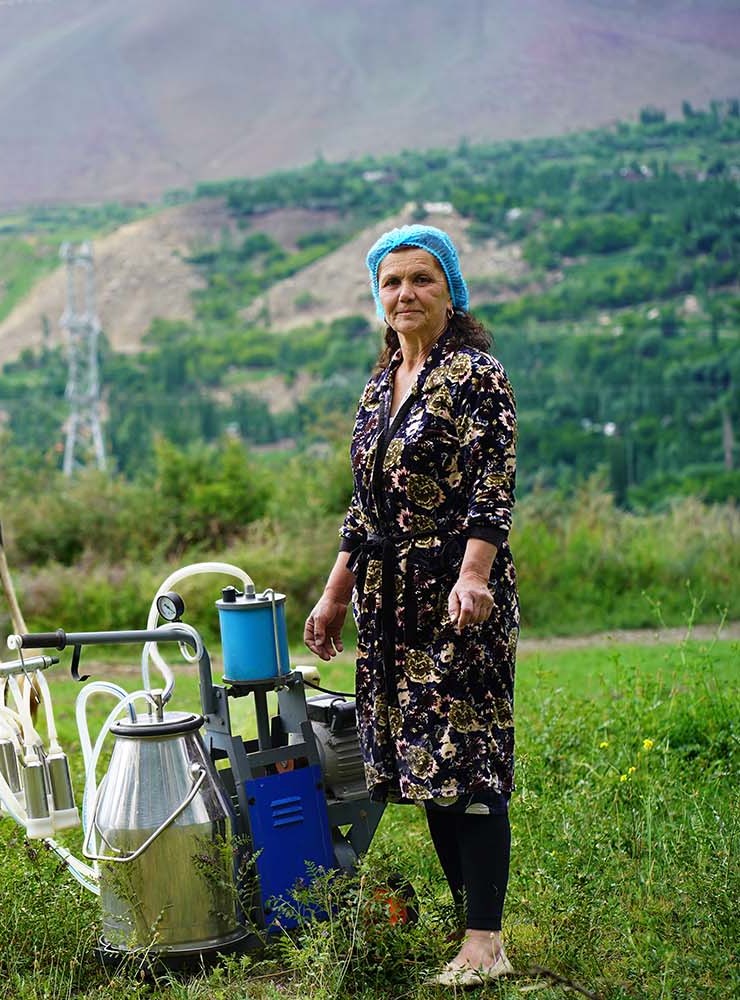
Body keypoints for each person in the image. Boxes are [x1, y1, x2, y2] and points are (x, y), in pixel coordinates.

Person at [303, 224, 520, 987]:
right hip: (387, 601)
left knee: (470, 762)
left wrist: (474, 577)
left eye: (421, 280)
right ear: (378, 297)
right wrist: (333, 598)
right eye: (392, 283)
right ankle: (473, 936)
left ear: (450, 290)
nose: (405, 295)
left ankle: (486, 941)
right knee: (425, 766)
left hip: (456, 596)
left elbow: (493, 488)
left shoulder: (476, 375)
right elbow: (363, 512)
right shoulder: (380, 385)